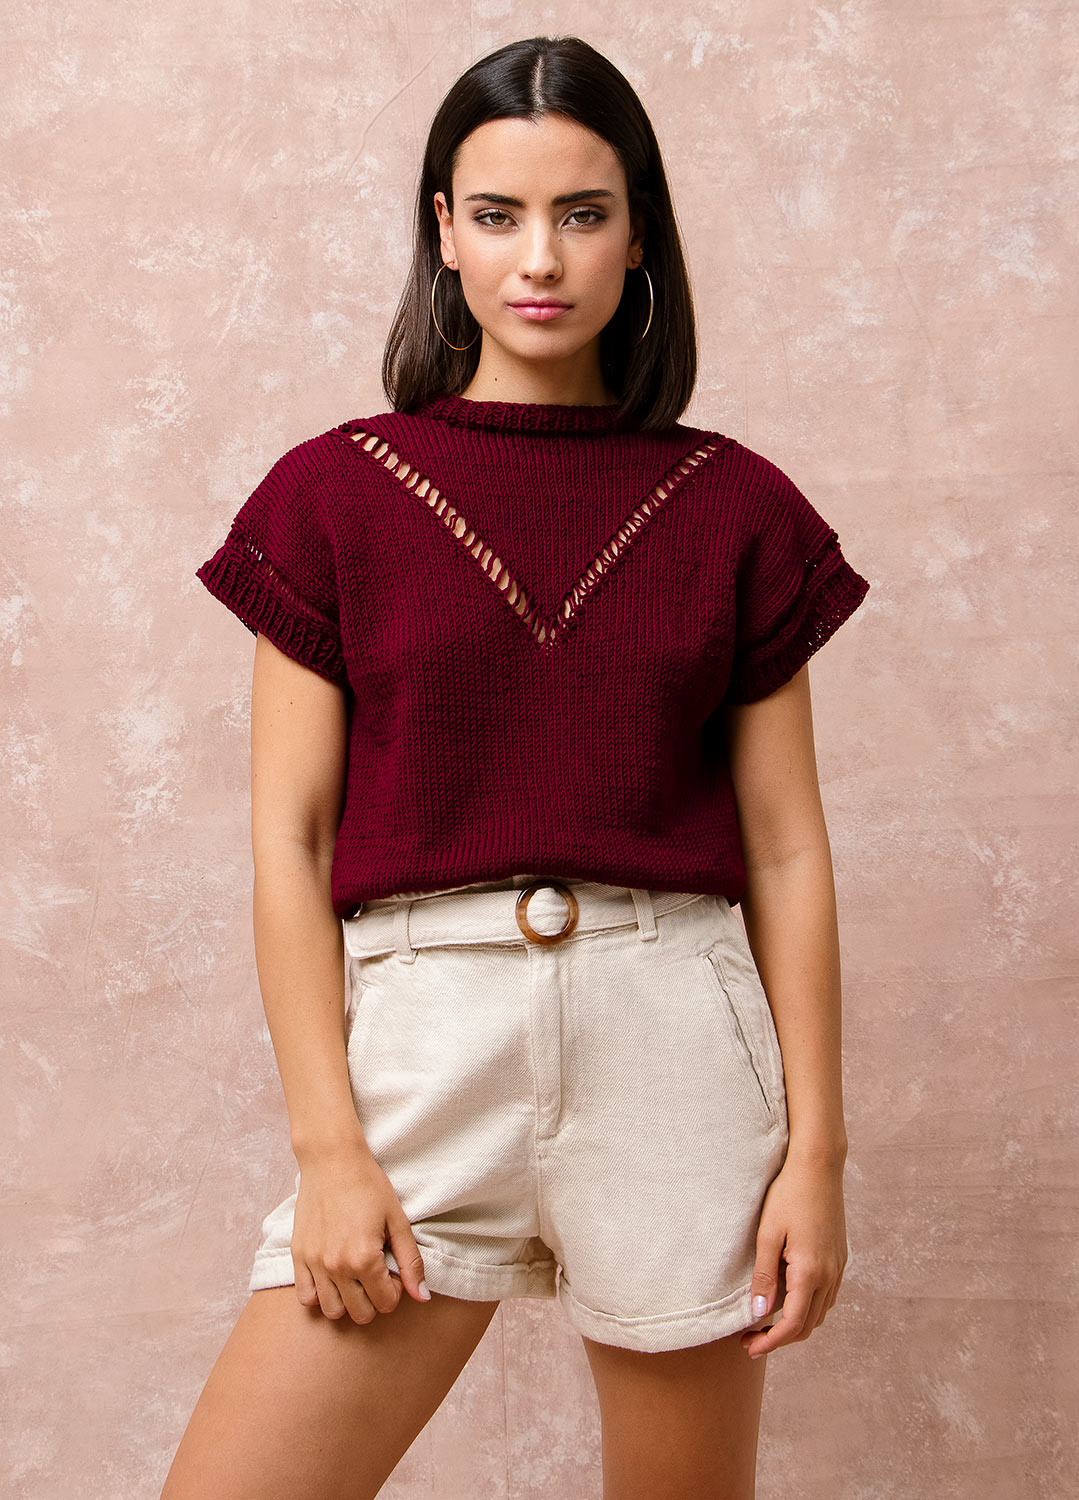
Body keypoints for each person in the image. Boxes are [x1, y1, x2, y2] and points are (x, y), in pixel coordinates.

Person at [162, 34, 871, 1500]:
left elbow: (788, 849)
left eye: (583, 213)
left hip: (675, 1040)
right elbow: (291, 844)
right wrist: (329, 1149)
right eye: (496, 215)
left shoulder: (735, 507)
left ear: (639, 234)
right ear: (444, 233)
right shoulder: (333, 498)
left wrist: (819, 1154)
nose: (539, 258)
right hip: (427, 1038)